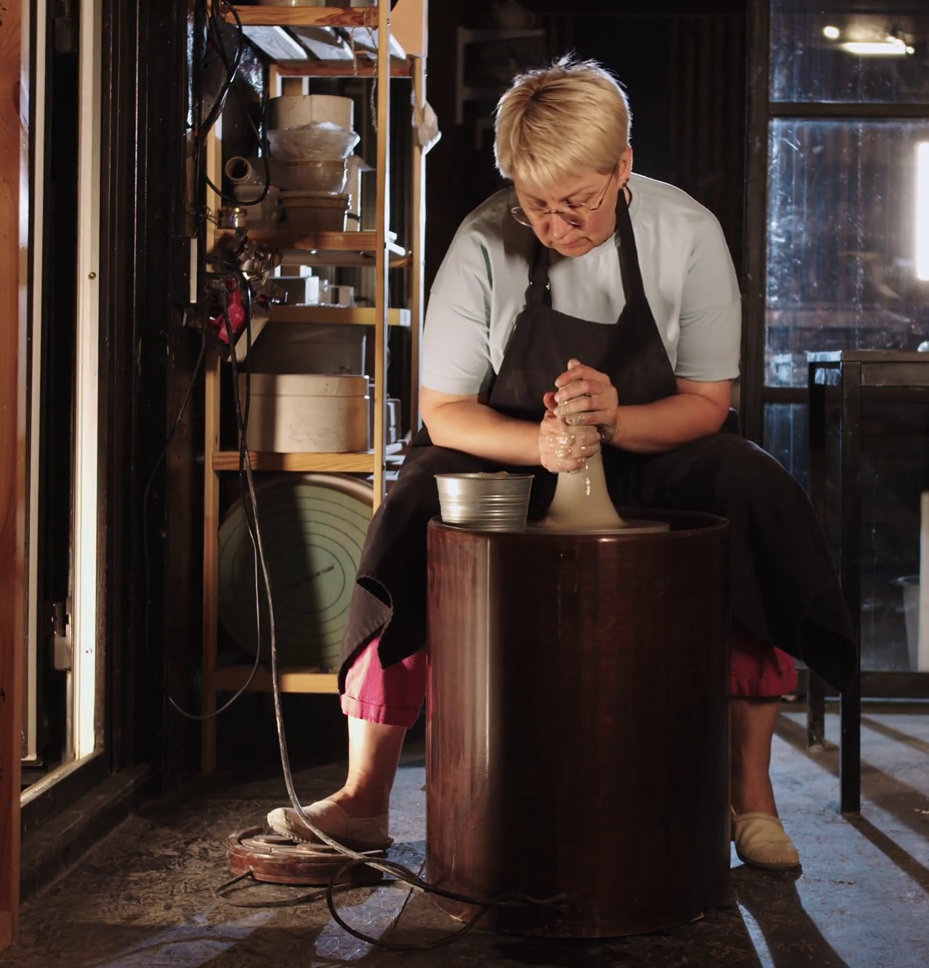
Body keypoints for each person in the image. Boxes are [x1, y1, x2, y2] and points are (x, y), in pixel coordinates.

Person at [267, 57, 856, 870]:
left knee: (751, 490)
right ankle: (365, 797)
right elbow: (446, 408)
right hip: (516, 449)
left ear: (623, 166)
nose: (558, 226)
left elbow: (705, 402)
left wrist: (615, 420)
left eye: (579, 202)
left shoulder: (688, 235)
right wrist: (540, 445)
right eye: (537, 204)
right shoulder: (484, 238)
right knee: (410, 509)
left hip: (646, 442)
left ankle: (750, 796)